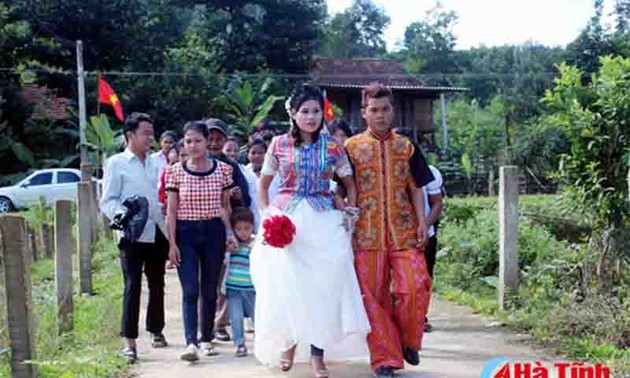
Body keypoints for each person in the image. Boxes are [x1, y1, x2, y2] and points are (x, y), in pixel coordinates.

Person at [250, 85, 370, 378]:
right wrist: (268, 216)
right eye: (305, 111)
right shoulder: (278, 144)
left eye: (316, 111)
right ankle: (288, 343)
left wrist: (350, 214)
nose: (311, 116)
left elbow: (350, 184)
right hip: (288, 222)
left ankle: (318, 354)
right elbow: (263, 186)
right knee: (288, 286)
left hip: (323, 220)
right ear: (293, 113)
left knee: (323, 289)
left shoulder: (333, 146)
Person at [344, 83, 434, 378]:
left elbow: (417, 188)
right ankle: (385, 359)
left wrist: (423, 222)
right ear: (363, 113)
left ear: (392, 111)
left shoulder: (406, 146)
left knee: (415, 285)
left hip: (404, 230)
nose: (380, 115)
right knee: (372, 297)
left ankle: (408, 340)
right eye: (374, 110)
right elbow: (339, 188)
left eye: (385, 109)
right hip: (366, 235)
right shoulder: (351, 148)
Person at [165, 121, 238, 361]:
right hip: (185, 233)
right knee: (190, 289)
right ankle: (190, 342)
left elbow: (225, 206)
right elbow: (172, 211)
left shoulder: (223, 171)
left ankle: (206, 338)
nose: (193, 145)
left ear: (207, 141)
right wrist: (172, 243)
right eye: (188, 141)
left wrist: (229, 234)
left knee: (209, 289)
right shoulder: (175, 171)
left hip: (213, 232)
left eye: (197, 140)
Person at [100, 112, 169, 364]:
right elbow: (107, 200)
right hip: (130, 234)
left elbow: (164, 198)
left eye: (152, 133)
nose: (150, 138)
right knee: (132, 285)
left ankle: (156, 329)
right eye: (145, 134)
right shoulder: (116, 163)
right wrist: (126, 217)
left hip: (157, 230)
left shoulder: (157, 163)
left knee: (158, 282)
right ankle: (129, 341)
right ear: (130, 135)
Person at [204, 118, 252, 342]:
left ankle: (220, 323)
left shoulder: (231, 167)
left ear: (225, 140)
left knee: (225, 279)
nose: (213, 143)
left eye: (218, 139)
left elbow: (246, 199)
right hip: (201, 228)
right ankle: (203, 323)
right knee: (205, 279)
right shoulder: (193, 164)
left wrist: (237, 196)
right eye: (210, 138)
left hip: (226, 230)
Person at [225, 207, 256, 357]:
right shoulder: (231, 245)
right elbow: (223, 262)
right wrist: (227, 250)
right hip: (233, 289)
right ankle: (240, 343)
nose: (243, 232)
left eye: (247, 228)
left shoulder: (256, 245)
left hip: (251, 289)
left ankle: (262, 341)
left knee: (257, 316)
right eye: (239, 229)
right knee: (236, 318)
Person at [422, 164, 444, 332]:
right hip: (394, 236)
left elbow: (437, 203)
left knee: (425, 278)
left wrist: (425, 226)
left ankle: (420, 316)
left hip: (426, 235)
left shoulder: (430, 172)